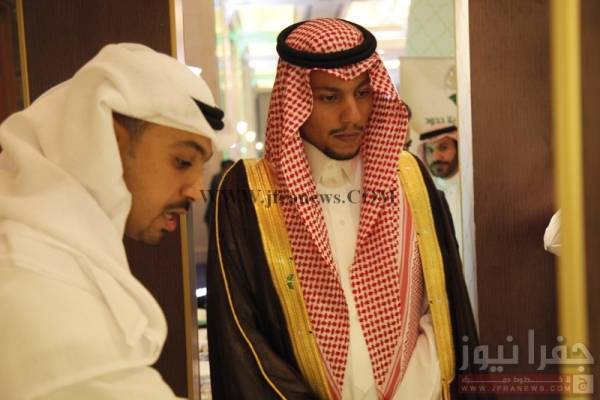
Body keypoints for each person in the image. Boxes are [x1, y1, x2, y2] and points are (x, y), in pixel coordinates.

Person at [207, 19, 483, 400]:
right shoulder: (247, 191)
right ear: (295, 100)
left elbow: (443, 308)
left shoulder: (409, 177)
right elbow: (242, 337)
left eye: (363, 93)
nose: (352, 115)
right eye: (329, 97)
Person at [0, 43, 223, 399]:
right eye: (182, 162)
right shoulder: (31, 272)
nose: (196, 191)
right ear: (110, 142)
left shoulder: (61, 249)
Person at [418, 125, 462, 253]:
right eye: (429, 150)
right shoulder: (423, 193)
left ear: (458, 148)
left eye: (443, 148)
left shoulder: (471, 188)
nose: (436, 157)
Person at [204, 159, 235, 226]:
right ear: (225, 168)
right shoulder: (217, 179)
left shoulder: (229, 178)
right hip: (214, 214)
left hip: (223, 216)